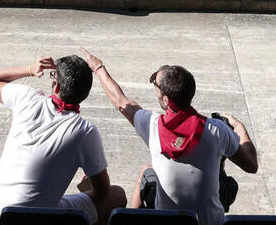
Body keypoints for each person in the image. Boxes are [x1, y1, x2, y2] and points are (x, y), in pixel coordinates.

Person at [78, 47, 258, 225]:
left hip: (166, 221)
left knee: (146, 171)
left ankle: (131, 219)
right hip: (209, 223)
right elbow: (251, 165)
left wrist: (98, 67)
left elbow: (120, 101)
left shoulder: (152, 125)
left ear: (165, 100)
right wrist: (239, 128)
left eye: (155, 84)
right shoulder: (217, 129)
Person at [0, 55, 126, 225]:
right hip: (33, 219)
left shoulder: (26, 98)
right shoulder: (84, 131)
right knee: (117, 195)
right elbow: (103, 191)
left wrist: (31, 69)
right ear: (85, 93)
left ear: (56, 86)